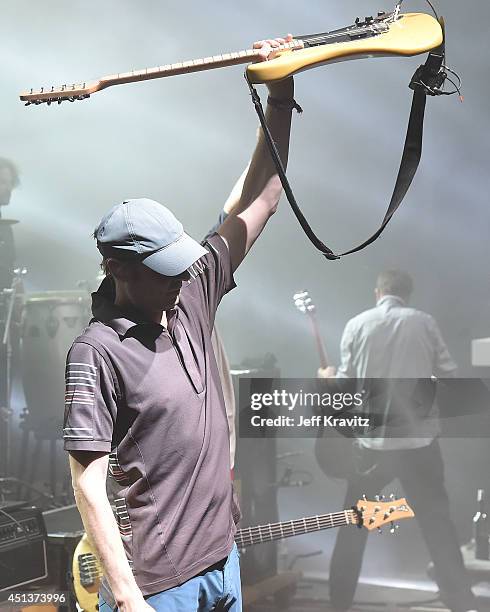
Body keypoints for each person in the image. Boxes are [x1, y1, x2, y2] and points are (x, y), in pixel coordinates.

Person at [63, 36, 300, 612]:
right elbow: (88, 484)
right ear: (116, 267)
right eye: (161, 270)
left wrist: (282, 89)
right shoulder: (96, 351)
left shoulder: (190, 292)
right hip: (159, 585)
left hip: (224, 562)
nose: (177, 278)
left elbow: (264, 197)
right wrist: (126, 596)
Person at [318, 269, 479, 612]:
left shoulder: (357, 324)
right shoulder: (423, 322)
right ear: (407, 294)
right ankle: (461, 603)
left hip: (372, 447)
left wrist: (328, 378)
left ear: (378, 292)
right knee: (438, 524)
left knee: (353, 526)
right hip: (418, 444)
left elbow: (345, 385)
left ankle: (338, 604)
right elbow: (449, 375)